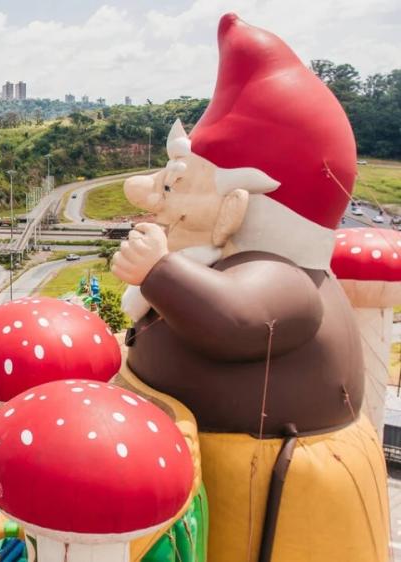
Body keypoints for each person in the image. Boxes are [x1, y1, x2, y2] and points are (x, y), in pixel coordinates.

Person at [112, 14, 388, 562]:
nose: (153, 199)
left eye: (176, 186)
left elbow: (238, 323)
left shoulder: (283, 278)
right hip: (198, 474)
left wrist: (160, 272)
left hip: (261, 501)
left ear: (235, 206)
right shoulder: (225, 258)